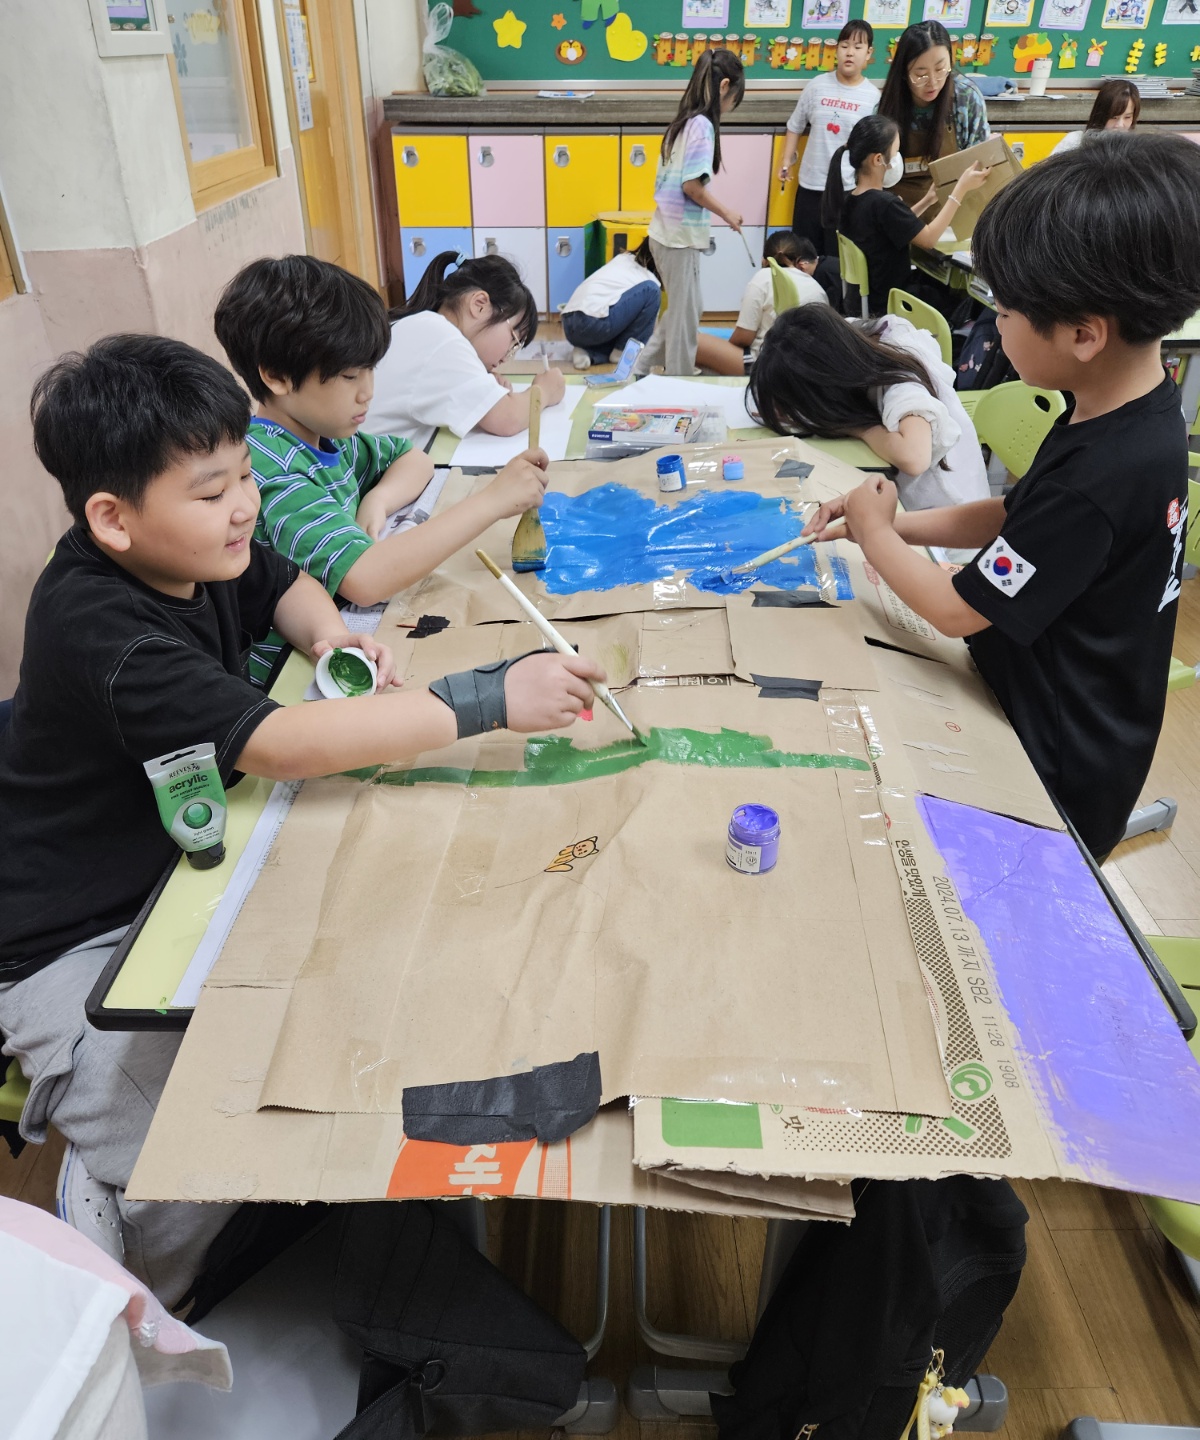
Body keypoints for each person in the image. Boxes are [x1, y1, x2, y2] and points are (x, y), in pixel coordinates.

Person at [0, 335, 603, 1305]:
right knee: (196, 1155)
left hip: (193, 855)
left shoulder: (198, 551)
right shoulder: (100, 626)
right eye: (212, 491)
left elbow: (284, 584)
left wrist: (327, 638)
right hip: (70, 937)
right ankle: (159, 1290)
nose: (245, 505)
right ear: (112, 518)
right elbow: (279, 744)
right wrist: (486, 699)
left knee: (364, 989)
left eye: (245, 475)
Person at [802, 132, 1200, 861]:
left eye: (1004, 312)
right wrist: (892, 526)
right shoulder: (1125, 409)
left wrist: (878, 532)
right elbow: (1020, 517)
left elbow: (958, 611)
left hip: (1051, 767)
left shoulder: (1104, 473)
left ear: (1083, 335)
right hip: (1050, 709)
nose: (996, 324)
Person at [214, 256, 550, 688]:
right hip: (287, 677)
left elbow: (414, 459)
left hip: (337, 638)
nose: (368, 391)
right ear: (277, 376)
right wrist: (492, 501)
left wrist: (378, 499)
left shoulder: (328, 437)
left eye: (371, 369)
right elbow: (367, 579)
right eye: (350, 375)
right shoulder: (268, 468)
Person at [749, 303, 988, 510]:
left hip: (945, 523)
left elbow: (914, 458)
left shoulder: (901, 382)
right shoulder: (849, 343)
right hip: (905, 504)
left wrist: (854, 427)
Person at [364, 252, 567, 445]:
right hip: (368, 467)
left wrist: (484, 387)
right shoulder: (442, 339)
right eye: (514, 340)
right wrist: (544, 391)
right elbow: (508, 418)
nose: (507, 357)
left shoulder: (425, 327)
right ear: (479, 305)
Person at [633, 48, 746, 378]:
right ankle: (678, 382)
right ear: (724, 86)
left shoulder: (685, 121)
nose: (731, 106)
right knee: (684, 322)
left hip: (668, 235)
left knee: (687, 310)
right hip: (677, 239)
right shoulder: (701, 126)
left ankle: (638, 369)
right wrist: (727, 213)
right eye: (734, 98)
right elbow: (692, 187)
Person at [823, 113, 988, 317]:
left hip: (865, 300)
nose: (897, 159)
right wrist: (960, 190)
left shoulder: (853, 199)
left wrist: (927, 201)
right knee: (966, 300)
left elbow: (892, 226)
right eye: (895, 153)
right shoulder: (884, 203)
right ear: (878, 159)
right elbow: (928, 239)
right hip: (892, 301)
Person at [779, 20, 879, 255]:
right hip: (810, 186)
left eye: (858, 47)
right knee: (803, 257)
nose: (850, 52)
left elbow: (873, 147)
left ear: (868, 53)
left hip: (846, 190)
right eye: (844, 46)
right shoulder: (816, 86)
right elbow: (795, 126)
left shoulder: (872, 97)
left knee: (836, 260)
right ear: (836, 49)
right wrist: (786, 160)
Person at [877, 20, 989, 211]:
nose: (933, 82)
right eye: (921, 74)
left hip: (952, 212)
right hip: (898, 215)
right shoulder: (888, 105)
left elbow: (979, 164)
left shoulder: (966, 99)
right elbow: (873, 176)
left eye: (940, 69)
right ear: (903, 72)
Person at [697, 229, 829, 377]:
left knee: (695, 342)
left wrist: (723, 351)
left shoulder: (763, 277)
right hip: (805, 369)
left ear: (763, 260)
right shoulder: (816, 287)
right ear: (798, 260)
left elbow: (743, 337)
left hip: (766, 366)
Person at [560, 238, 661, 370]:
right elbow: (650, 330)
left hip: (569, 324)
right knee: (652, 291)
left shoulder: (623, 259)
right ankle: (623, 352)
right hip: (592, 322)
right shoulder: (649, 280)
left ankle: (588, 352)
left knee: (622, 329)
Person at [1051, 77, 1140, 153]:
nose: (1120, 125)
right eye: (1113, 117)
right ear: (1101, 114)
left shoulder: (1137, 149)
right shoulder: (1074, 142)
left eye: (1127, 117)